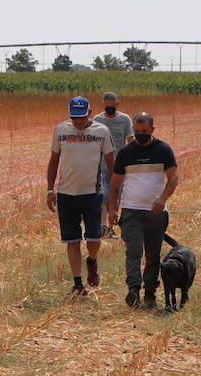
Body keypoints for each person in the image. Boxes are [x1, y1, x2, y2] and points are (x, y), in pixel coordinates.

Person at [107, 112, 179, 310]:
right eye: (137, 132)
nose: (140, 135)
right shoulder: (125, 153)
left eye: (144, 132)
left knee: (153, 256)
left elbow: (173, 178)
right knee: (134, 251)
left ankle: (150, 293)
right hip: (131, 212)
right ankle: (133, 289)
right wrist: (112, 210)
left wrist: (162, 199)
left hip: (156, 214)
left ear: (152, 130)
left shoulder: (163, 150)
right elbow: (114, 185)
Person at [47, 96, 116, 296]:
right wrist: (50, 190)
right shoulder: (60, 130)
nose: (78, 122)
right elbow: (53, 161)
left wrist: (114, 195)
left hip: (92, 194)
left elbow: (112, 164)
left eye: (82, 118)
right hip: (66, 195)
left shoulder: (101, 132)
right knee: (72, 240)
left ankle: (92, 260)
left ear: (90, 113)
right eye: (74, 118)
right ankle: (78, 284)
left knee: (94, 239)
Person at [93, 91, 133, 237]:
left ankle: (110, 228)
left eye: (112, 107)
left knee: (115, 197)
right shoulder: (97, 119)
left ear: (117, 104)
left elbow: (130, 140)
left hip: (119, 167)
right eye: (107, 107)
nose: (110, 109)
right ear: (103, 105)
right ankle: (103, 228)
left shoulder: (125, 119)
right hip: (101, 165)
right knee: (103, 197)